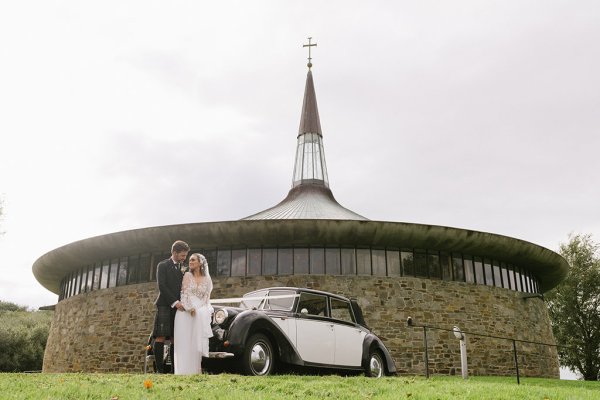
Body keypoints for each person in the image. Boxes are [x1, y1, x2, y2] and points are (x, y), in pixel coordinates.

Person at [152, 240, 190, 373]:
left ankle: (175, 371)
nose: (184, 258)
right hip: (165, 305)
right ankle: (160, 371)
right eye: (182, 255)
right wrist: (175, 302)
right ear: (174, 252)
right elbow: (162, 286)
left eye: (185, 256)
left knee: (175, 337)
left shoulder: (182, 268)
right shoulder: (162, 265)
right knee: (160, 336)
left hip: (178, 307)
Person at [173, 253, 214, 375]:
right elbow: (184, 294)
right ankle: (182, 372)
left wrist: (200, 311)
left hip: (199, 314)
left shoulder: (207, 280)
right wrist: (189, 308)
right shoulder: (187, 275)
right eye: (189, 260)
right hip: (184, 313)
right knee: (184, 343)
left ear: (200, 263)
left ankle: (195, 372)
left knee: (195, 343)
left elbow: (206, 299)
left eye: (193, 260)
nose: (190, 262)